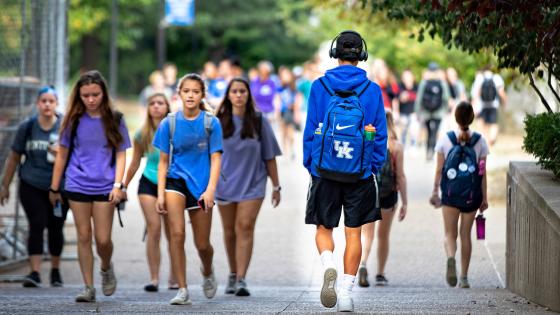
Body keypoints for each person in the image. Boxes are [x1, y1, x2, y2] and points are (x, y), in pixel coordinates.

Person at [303, 30, 387, 312]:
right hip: (359, 173)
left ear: (334, 53)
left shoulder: (319, 87)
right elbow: (380, 136)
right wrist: (371, 167)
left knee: (324, 228)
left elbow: (311, 128)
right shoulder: (373, 90)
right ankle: (347, 294)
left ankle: (328, 265)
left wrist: (311, 166)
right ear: (361, 56)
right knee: (354, 234)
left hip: (324, 171)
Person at [49, 70, 131, 302]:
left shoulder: (115, 119)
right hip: (77, 184)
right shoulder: (72, 120)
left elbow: (121, 153)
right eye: (86, 95)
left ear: (103, 93)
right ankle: (88, 287)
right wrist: (55, 188)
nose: (91, 99)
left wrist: (119, 185)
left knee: (103, 240)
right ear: (79, 96)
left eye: (95, 94)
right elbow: (62, 156)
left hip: (106, 185)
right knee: (84, 235)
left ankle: (106, 266)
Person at [152, 73, 223, 305]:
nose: (191, 95)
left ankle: (207, 269)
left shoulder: (211, 123)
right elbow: (163, 161)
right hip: (175, 181)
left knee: (202, 244)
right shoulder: (169, 123)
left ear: (202, 94)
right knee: (177, 234)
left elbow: (216, 158)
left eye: (195, 91)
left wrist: (211, 189)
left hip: (202, 185)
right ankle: (182, 289)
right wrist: (160, 193)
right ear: (179, 94)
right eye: (186, 91)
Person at [215, 77, 282, 297]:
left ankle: (242, 278)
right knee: (229, 231)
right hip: (224, 183)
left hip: (253, 183)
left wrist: (276, 186)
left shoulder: (259, 120)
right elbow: (208, 156)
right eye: (234, 91)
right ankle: (232, 273)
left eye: (242, 91)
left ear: (248, 94)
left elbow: (270, 155)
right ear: (228, 95)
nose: (238, 95)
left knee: (244, 226)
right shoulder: (218, 121)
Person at [0, 86, 68, 288]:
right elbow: (14, 157)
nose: (47, 104)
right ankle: (35, 271)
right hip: (31, 183)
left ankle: (55, 271)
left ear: (56, 104)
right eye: (43, 101)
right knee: (36, 224)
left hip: (59, 187)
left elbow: (76, 156)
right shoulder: (27, 127)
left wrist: (62, 154)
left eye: (51, 101)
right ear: (37, 104)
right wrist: (5, 185)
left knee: (56, 227)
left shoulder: (65, 127)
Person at [122, 93, 177, 292]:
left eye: (160, 103)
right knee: (154, 228)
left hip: (172, 183)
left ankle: (174, 276)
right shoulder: (142, 134)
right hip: (148, 183)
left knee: (173, 233)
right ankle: (154, 278)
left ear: (167, 106)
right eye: (152, 103)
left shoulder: (175, 130)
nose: (156, 106)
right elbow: (135, 163)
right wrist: (123, 186)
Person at [430, 101, 489, 289]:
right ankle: (464, 277)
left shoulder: (445, 140)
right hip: (472, 195)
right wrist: (484, 198)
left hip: (450, 194)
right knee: (466, 235)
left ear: (455, 117)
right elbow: (482, 172)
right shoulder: (480, 141)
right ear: (472, 118)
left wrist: (434, 191)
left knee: (450, 233)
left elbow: (439, 169)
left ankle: (450, 258)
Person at [358, 110, 408, 287]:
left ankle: (363, 263)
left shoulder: (367, 141)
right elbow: (400, 176)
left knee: (367, 233)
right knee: (383, 235)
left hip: (369, 193)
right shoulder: (396, 146)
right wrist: (405, 202)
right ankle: (380, 273)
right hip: (389, 195)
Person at [414, 62, 451, 160]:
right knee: (435, 132)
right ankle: (432, 152)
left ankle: (428, 152)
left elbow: (419, 98)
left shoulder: (424, 82)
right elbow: (446, 98)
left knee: (429, 132)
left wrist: (417, 112)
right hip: (439, 112)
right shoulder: (442, 82)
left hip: (426, 112)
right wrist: (446, 110)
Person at [470, 66, 507, 146]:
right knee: (493, 123)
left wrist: (474, 105)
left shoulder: (480, 78)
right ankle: (492, 139)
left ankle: (486, 140)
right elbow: (501, 92)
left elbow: (476, 94)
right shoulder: (496, 77)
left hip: (483, 105)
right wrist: (504, 102)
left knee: (482, 123)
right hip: (494, 105)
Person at [278, 66, 300, 160]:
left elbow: (297, 98)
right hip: (282, 111)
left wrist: (296, 112)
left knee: (290, 131)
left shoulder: (293, 86)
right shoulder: (280, 87)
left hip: (290, 111)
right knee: (283, 132)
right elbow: (277, 98)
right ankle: (285, 150)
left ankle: (291, 150)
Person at [397, 69, 418, 147]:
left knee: (414, 131)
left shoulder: (417, 87)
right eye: (405, 76)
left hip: (414, 113)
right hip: (403, 113)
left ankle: (413, 146)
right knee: (403, 131)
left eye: (408, 76)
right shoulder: (400, 87)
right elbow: (396, 99)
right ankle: (403, 147)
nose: (407, 78)